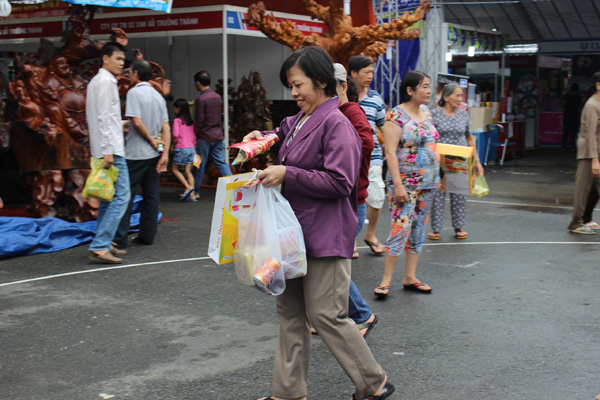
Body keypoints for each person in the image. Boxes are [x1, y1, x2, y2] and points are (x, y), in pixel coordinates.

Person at [244, 47, 394, 400]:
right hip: (292, 236)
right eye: (290, 86)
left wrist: (287, 173)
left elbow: (341, 182)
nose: (293, 93)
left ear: (321, 81)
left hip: (324, 235)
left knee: (326, 314)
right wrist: (259, 138)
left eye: (298, 85)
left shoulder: (337, 123)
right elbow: (279, 133)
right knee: (290, 313)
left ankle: (373, 384)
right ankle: (288, 392)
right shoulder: (298, 119)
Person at [374, 71, 440, 297]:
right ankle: (386, 279)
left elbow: (432, 145)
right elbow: (390, 153)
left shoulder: (427, 113)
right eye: (424, 86)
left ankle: (410, 276)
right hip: (405, 184)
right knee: (400, 228)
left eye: (429, 86)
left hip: (429, 183)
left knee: (418, 229)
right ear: (410, 90)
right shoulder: (395, 116)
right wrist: (399, 185)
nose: (428, 91)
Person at [336, 63, 377, 337]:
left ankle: (362, 314)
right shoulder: (338, 111)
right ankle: (330, 315)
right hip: (348, 199)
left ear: (341, 87)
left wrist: (336, 151)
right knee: (329, 261)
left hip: (352, 200)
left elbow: (367, 141)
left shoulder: (350, 110)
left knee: (330, 263)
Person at [113, 59, 171, 247]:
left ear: (136, 74)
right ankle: (147, 236)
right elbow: (166, 127)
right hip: (154, 154)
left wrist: (150, 140)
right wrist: (165, 154)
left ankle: (120, 239)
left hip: (135, 154)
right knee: (152, 195)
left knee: (125, 195)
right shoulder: (158, 96)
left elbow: (137, 122)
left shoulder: (134, 93)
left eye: (130, 72)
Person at [86, 41, 131, 264]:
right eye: (118, 59)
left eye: (123, 60)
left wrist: (118, 124)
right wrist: (107, 150)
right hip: (111, 149)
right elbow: (103, 117)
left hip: (106, 146)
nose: (121, 63)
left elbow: (105, 117)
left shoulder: (99, 81)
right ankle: (101, 244)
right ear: (105, 58)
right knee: (122, 196)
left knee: (108, 197)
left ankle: (103, 242)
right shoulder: (105, 82)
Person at [427, 82, 484, 240]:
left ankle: (458, 227)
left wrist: (477, 162)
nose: (461, 99)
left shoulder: (463, 114)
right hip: (440, 160)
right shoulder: (434, 114)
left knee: (459, 193)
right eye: (457, 95)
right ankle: (436, 229)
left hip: (460, 160)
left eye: (461, 96)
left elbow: (470, 138)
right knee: (438, 193)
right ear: (446, 97)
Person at [349, 56, 386, 256]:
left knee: (377, 197)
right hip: (350, 159)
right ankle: (351, 239)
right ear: (353, 73)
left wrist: (390, 150)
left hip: (374, 158)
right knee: (352, 200)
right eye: (366, 72)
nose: (370, 76)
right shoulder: (344, 97)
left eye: (372, 72)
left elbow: (384, 127)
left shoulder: (376, 99)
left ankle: (370, 234)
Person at [567, 71, 600, 235]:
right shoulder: (592, 105)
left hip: (596, 152)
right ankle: (576, 223)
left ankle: (585, 218)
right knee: (583, 189)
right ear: (598, 86)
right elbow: (591, 133)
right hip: (590, 153)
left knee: (592, 189)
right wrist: (595, 159)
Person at [192, 70, 232, 196]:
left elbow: (199, 121)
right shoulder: (217, 96)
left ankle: (196, 191)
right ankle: (233, 188)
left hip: (204, 137)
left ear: (198, 83)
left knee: (199, 164)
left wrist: (194, 135)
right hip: (218, 136)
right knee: (221, 162)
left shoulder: (201, 99)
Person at [171, 98, 198, 202]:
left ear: (178, 109)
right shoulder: (191, 122)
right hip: (191, 148)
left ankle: (188, 187)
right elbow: (193, 137)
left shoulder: (177, 121)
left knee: (174, 169)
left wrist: (173, 144)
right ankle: (193, 196)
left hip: (181, 148)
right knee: (188, 171)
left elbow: (175, 135)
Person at [561, 83, 583, 150]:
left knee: (566, 131)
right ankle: (574, 146)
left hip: (567, 115)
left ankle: (563, 146)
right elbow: (581, 106)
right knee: (575, 132)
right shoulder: (580, 97)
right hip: (576, 115)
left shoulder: (566, 96)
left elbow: (563, 105)